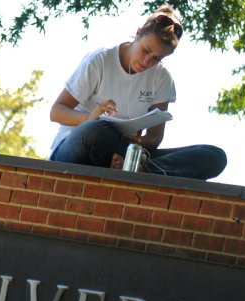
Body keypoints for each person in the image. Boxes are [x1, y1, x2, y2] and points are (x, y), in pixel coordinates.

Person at [48, 4, 227, 180]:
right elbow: (56, 111)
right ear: (138, 32)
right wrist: (89, 118)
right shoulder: (100, 60)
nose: (146, 61)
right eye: (146, 50)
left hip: (126, 153)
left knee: (213, 156)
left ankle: (142, 170)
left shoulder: (162, 78)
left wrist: (138, 142)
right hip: (79, 147)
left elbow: (155, 137)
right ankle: (132, 168)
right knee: (96, 130)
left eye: (156, 58)